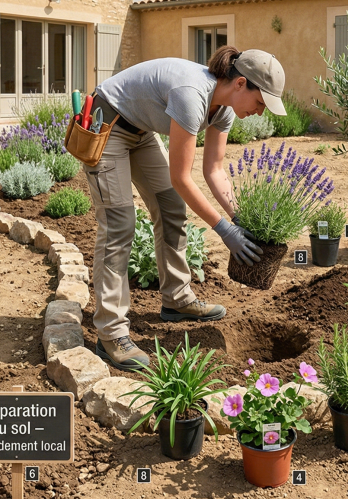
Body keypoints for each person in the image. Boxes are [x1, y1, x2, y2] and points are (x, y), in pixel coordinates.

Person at [85, 46, 287, 371]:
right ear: (240, 84)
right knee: (119, 224)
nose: (261, 112)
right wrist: (224, 230)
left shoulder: (225, 109)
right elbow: (181, 177)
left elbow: (214, 170)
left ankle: (177, 299)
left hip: (139, 130)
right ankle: (111, 334)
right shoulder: (192, 95)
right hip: (107, 125)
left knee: (171, 209)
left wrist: (240, 218)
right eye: (260, 102)